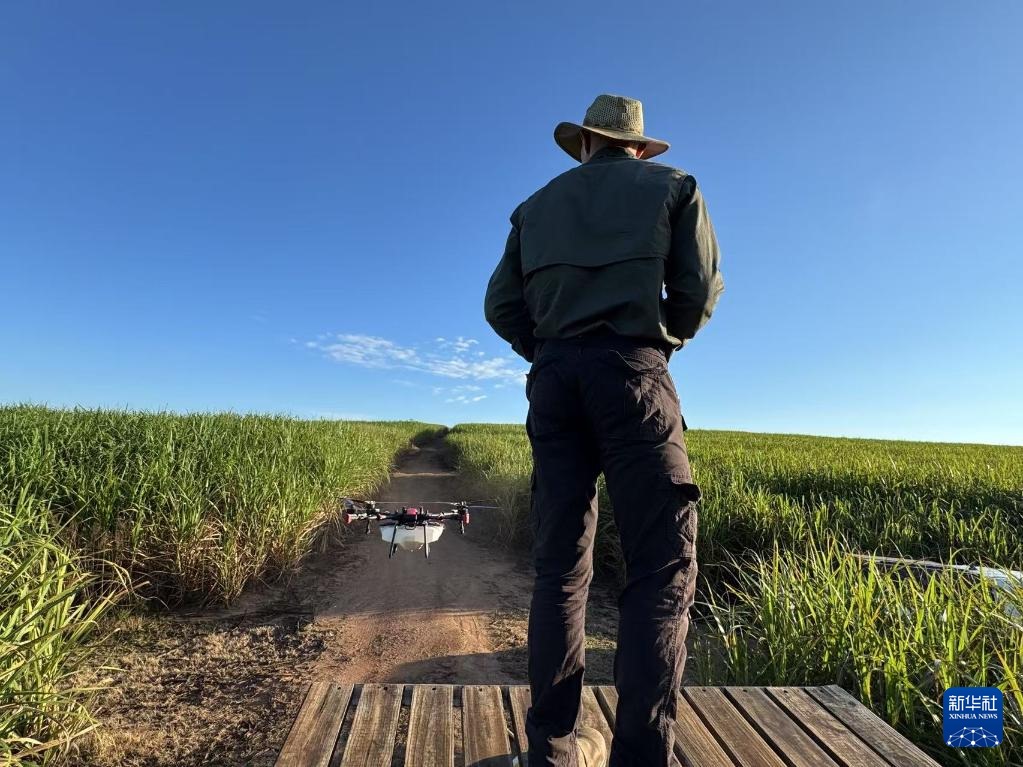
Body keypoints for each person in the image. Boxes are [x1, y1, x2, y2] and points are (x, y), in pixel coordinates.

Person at [484, 93, 724, 767]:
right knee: (660, 569)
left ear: (585, 142)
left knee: (559, 568)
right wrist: (656, 341)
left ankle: (553, 748)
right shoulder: (675, 187)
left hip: (555, 380)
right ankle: (640, 758)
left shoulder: (534, 207)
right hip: (634, 371)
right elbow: (699, 290)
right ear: (636, 147)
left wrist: (549, 351)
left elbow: (499, 304)